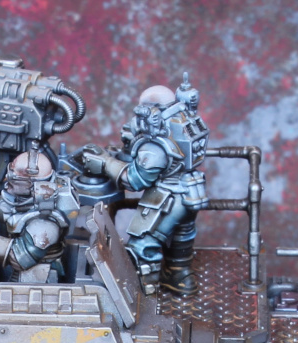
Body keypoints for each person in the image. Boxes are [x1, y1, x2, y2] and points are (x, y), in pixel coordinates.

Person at [80, 74, 209, 295]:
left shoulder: (157, 145)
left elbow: (136, 181)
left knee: (143, 244)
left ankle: (144, 292)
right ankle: (180, 278)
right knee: (182, 235)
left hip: (168, 198)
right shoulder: (185, 123)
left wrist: (105, 163)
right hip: (192, 192)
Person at [0, 147, 79, 283]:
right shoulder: (27, 199)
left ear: (31, 184)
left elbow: (19, 259)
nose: (8, 179)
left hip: (38, 277)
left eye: (15, 177)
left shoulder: (45, 225)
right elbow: (7, 211)